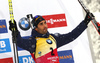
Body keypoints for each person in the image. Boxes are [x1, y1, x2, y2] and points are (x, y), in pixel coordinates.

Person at [9, 12, 92, 63]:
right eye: (41, 24)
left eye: (45, 23)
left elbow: (71, 36)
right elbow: (20, 42)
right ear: (36, 28)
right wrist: (15, 31)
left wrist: (85, 22)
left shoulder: (53, 38)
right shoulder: (33, 42)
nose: (45, 26)